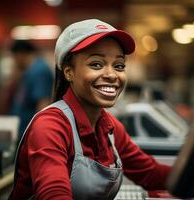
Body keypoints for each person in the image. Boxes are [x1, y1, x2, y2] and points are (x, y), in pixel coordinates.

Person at [10, 19, 171, 200]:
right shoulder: (50, 127)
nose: (111, 74)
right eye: (96, 64)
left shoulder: (110, 128)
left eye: (119, 66)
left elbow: (150, 173)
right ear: (68, 71)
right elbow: (54, 194)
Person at [9, 40, 54, 141]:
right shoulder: (29, 71)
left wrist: (37, 136)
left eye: (14, 57)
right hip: (23, 130)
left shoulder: (39, 71)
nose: (14, 61)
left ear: (20, 54)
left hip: (31, 134)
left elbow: (43, 103)